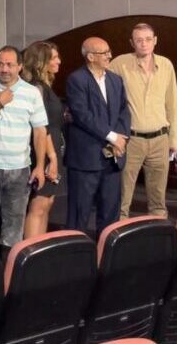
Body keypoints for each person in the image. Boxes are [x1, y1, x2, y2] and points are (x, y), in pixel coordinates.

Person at [0, 46, 48, 257]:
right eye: (0, 64)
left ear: (20, 66)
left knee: (14, 226)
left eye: (9, 65)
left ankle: (9, 270)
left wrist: (40, 166)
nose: (4, 69)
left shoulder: (32, 93)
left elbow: (40, 132)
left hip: (19, 169)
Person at [109, 23, 177, 218]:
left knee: (158, 201)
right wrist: (113, 136)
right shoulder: (120, 63)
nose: (144, 44)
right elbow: (104, 95)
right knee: (122, 198)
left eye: (148, 39)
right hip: (131, 139)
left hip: (160, 140)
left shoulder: (166, 64)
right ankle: (118, 233)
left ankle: (158, 233)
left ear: (155, 41)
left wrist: (175, 138)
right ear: (132, 43)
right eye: (139, 40)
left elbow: (173, 104)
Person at [65, 38, 130, 236]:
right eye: (104, 53)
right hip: (86, 159)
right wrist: (112, 137)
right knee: (79, 215)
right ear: (90, 57)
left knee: (110, 214)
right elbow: (82, 115)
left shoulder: (115, 80)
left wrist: (121, 138)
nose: (110, 56)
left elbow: (123, 111)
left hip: (112, 159)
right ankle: (76, 252)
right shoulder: (76, 80)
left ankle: (106, 252)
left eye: (109, 51)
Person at [21, 41, 63, 239]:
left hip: (53, 148)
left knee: (47, 202)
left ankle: (40, 249)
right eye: (54, 58)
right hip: (43, 151)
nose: (58, 61)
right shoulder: (37, 87)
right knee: (38, 204)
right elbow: (40, 126)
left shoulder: (45, 86)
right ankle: (30, 251)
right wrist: (51, 157)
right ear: (41, 62)